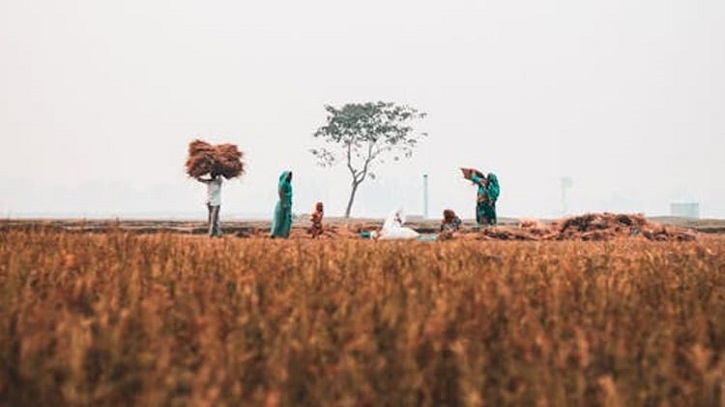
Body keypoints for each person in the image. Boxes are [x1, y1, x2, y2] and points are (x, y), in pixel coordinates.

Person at [198, 171, 223, 237]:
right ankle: (218, 234)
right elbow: (200, 180)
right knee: (213, 218)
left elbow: (220, 178)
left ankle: (211, 234)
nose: (212, 176)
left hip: (216, 203)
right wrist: (197, 174)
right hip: (209, 202)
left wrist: (219, 171)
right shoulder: (209, 182)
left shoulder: (218, 182)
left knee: (213, 219)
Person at [271, 170, 293, 238]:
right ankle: (274, 234)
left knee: (287, 220)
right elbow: (281, 193)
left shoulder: (289, 184)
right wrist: (284, 202)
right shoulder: (283, 184)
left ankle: (284, 234)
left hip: (288, 204)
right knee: (279, 220)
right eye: (289, 175)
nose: (291, 177)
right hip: (283, 204)